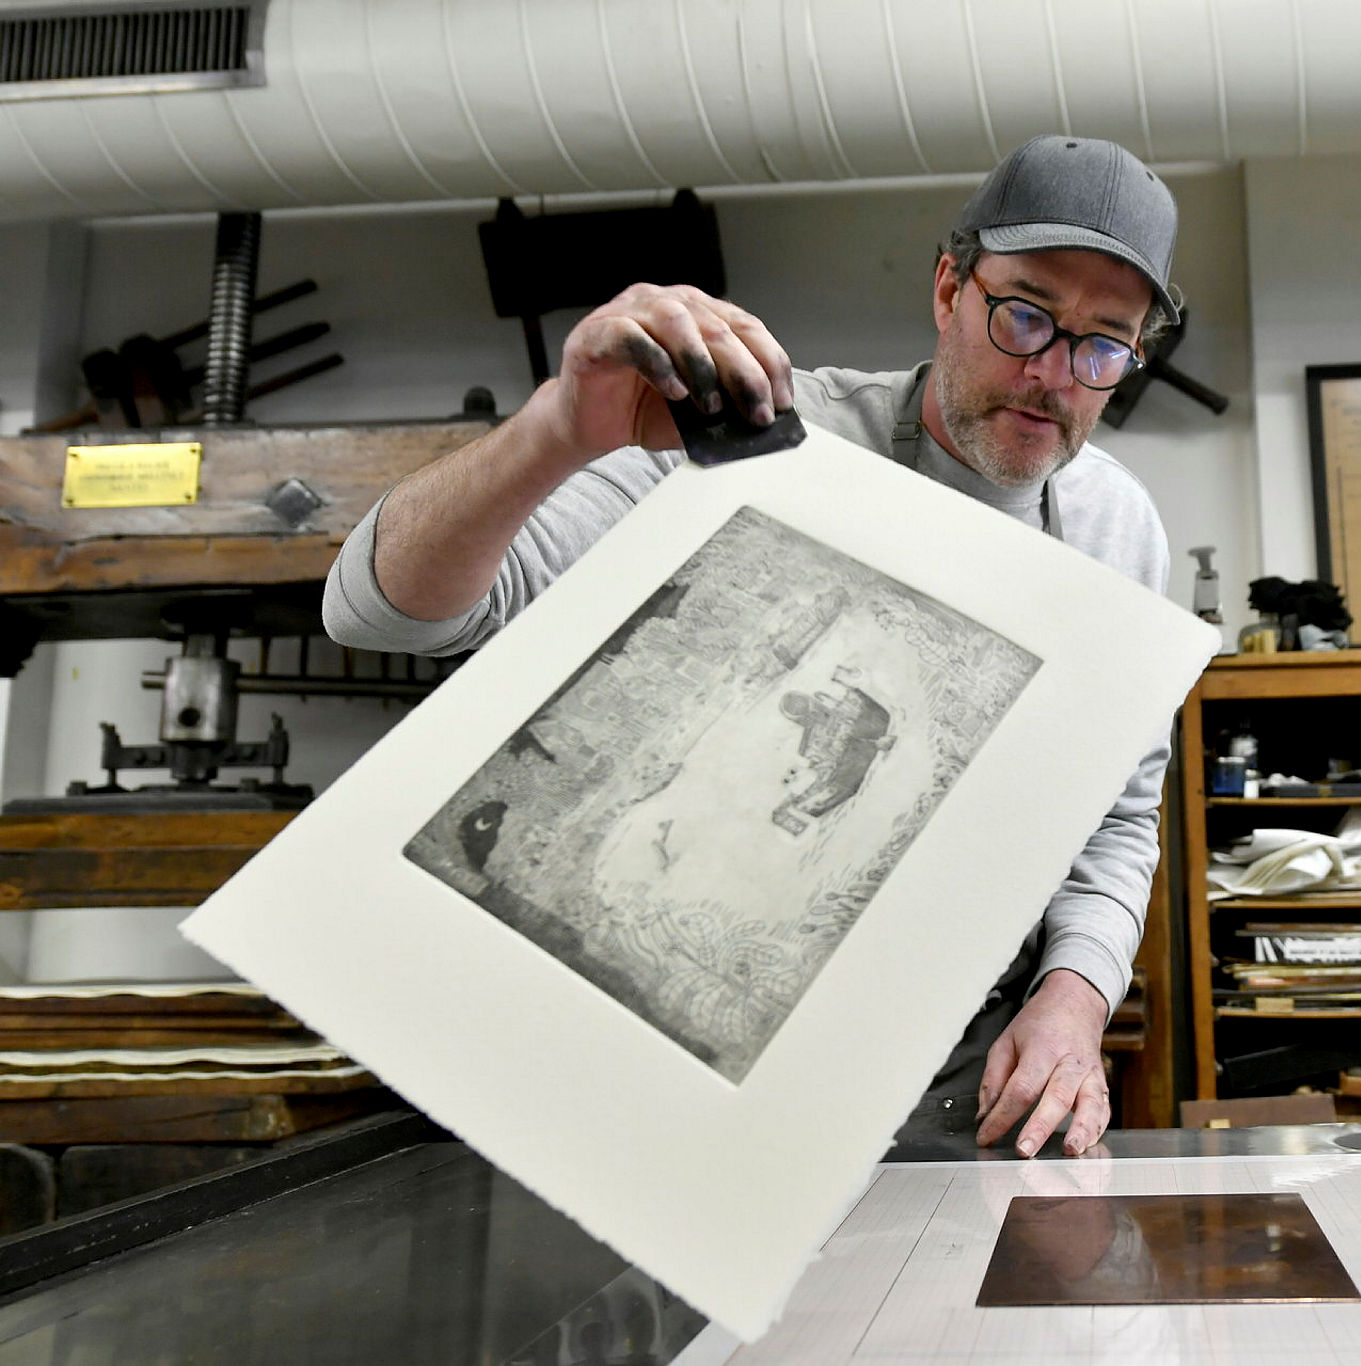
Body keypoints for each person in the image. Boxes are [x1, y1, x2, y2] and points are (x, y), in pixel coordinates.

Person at [323, 135, 1182, 1159]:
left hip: (954, 1083)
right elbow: (380, 615)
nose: (1050, 374)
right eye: (1026, 315)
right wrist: (557, 431)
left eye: (1102, 346)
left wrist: (1076, 995)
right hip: (670, 1072)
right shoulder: (756, 438)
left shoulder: (1118, 530)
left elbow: (1116, 817)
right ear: (950, 287)